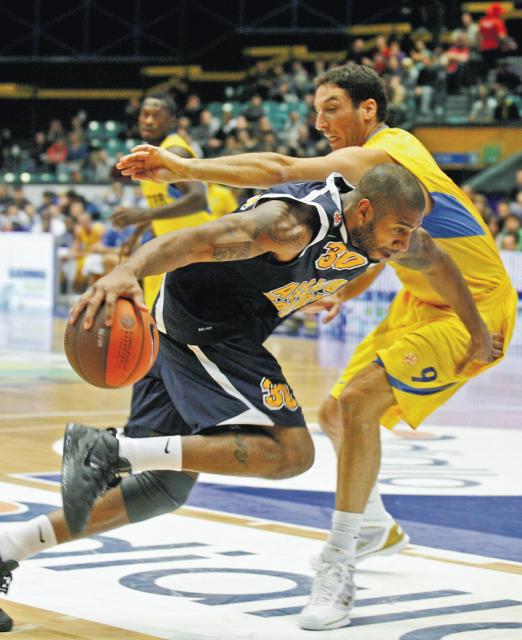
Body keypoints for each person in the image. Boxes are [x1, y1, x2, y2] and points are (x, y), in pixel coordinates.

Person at [115, 62, 516, 630]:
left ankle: (338, 562)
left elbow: (282, 168)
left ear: (368, 110)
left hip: (474, 303)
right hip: (422, 301)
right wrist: (348, 289)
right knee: (333, 413)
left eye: (332, 108)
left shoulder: (386, 151)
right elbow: (391, 245)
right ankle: (373, 527)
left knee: (355, 404)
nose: (320, 121)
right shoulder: (371, 182)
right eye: (316, 110)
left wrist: (184, 166)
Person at [3, 163, 435, 629]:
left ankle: (9, 547)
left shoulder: (385, 235)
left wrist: (476, 328)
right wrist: (127, 269)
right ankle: (109, 451)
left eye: (411, 231)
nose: (405, 241)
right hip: (203, 326)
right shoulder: (291, 224)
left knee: (160, 489)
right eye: (401, 230)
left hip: (180, 324)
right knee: (292, 452)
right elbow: (202, 238)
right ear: (365, 210)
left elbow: (436, 260)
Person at [109, 93, 211, 308]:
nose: (148, 121)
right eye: (145, 114)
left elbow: (198, 198)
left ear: (172, 120)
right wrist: (137, 233)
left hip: (195, 253)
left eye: (156, 115)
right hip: (169, 250)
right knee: (154, 316)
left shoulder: (175, 151)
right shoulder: (151, 153)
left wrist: (142, 214)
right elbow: (163, 205)